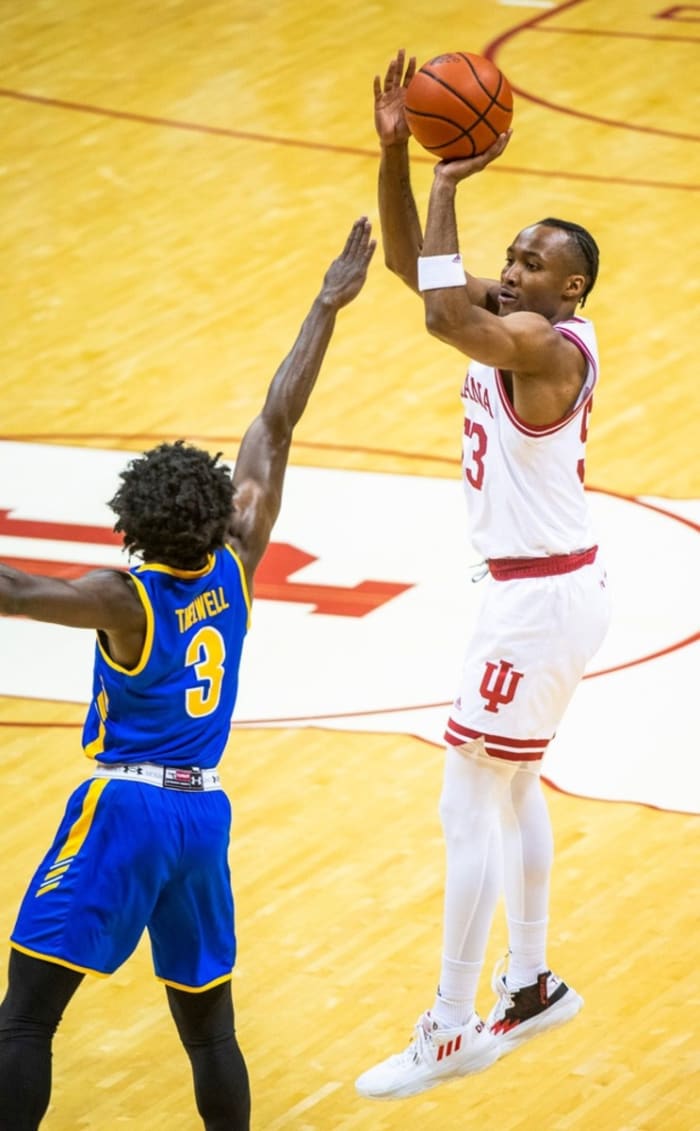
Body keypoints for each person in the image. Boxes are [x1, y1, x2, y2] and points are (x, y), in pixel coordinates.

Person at [0, 217, 375, 1131]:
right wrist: (327, 303)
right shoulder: (239, 557)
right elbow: (277, 422)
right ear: (215, 511)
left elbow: (12, 586)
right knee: (209, 1030)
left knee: (27, 1017)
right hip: (203, 814)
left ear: (131, 524)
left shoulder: (124, 598)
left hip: (124, 809)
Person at [354, 52, 611, 1101]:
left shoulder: (543, 346)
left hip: (537, 602)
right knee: (508, 791)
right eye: (508, 254)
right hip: (540, 594)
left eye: (530, 259)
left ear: (570, 287)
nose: (511, 267)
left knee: (468, 806)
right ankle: (533, 980)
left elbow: (437, 316)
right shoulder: (510, 323)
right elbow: (406, 272)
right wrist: (394, 155)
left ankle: (454, 1023)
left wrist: (452, 178)